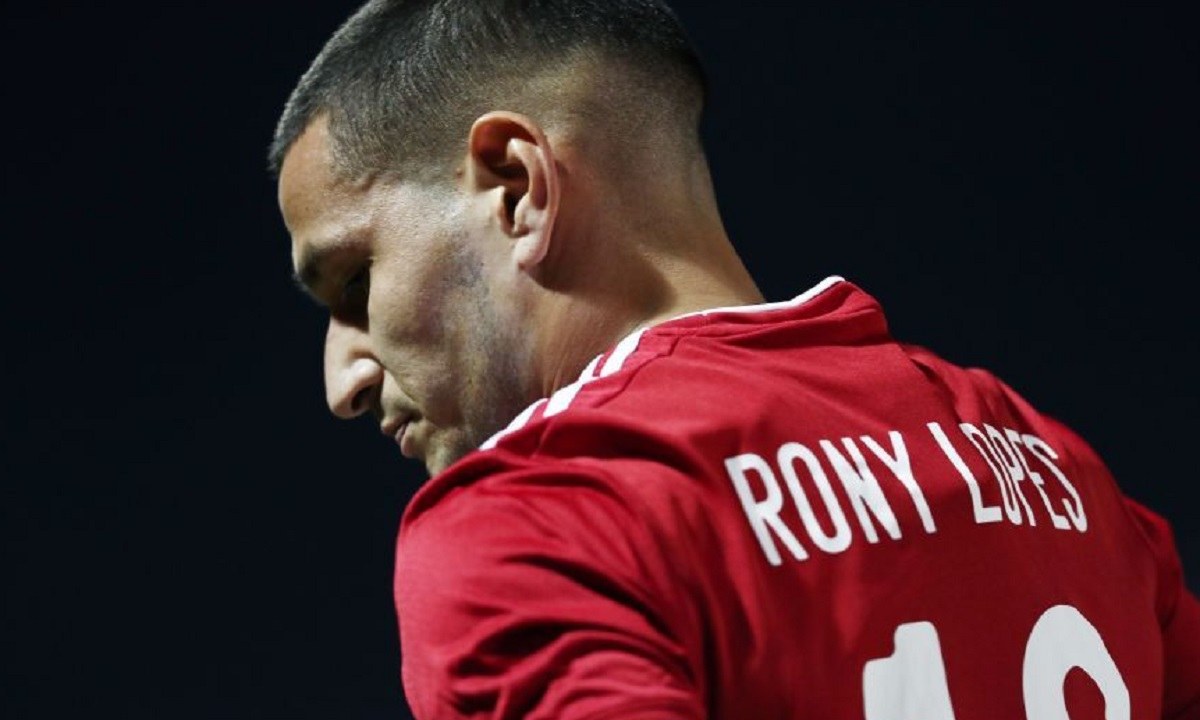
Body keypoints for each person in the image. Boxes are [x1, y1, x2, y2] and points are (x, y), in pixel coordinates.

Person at [269, 1, 1200, 717]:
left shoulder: (538, 522)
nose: (343, 381)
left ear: (518, 187)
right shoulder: (1058, 473)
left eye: (355, 280)